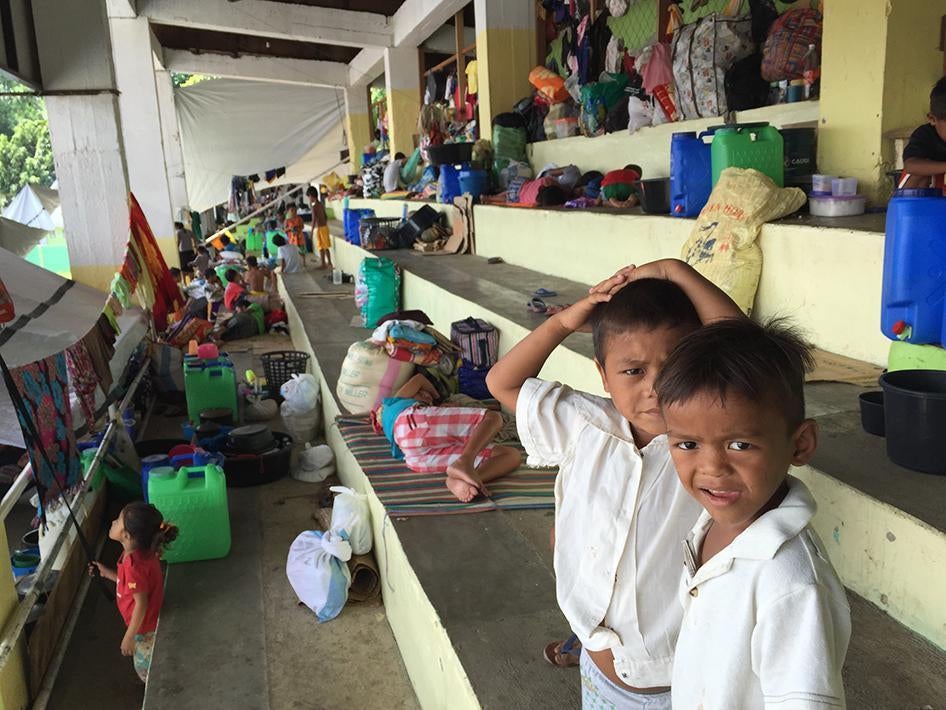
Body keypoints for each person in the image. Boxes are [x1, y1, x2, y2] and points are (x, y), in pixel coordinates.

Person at [486, 258, 743, 707]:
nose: (656, 388)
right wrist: (567, 319)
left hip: (675, 684)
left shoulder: (709, 442)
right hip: (596, 666)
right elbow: (501, 381)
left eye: (675, 365)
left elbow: (746, 347)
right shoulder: (584, 423)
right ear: (603, 375)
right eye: (633, 371)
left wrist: (674, 271)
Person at [655, 318, 851, 709]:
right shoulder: (714, 523)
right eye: (688, 443)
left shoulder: (792, 585)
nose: (712, 467)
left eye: (740, 444)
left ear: (800, 445)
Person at [373, 373, 522, 503]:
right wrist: (436, 397)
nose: (427, 397)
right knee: (492, 418)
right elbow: (420, 379)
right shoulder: (395, 402)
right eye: (423, 394)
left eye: (428, 397)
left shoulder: (396, 431)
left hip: (414, 457)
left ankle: (464, 480)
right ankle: (466, 462)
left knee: (511, 455)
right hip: (415, 422)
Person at [89, 502, 179, 683]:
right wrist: (107, 573)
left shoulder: (133, 566)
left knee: (148, 672)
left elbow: (141, 602)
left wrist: (129, 637)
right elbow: (134, 585)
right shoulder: (142, 554)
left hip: (144, 630)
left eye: (117, 521)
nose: (113, 522)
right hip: (148, 623)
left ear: (126, 535)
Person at [902, 77, 946, 190]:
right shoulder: (925, 135)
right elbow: (910, 166)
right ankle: (914, 207)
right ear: (932, 119)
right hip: (929, 195)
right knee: (919, 172)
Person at [306, 186, 333, 271]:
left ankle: (327, 263)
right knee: (322, 247)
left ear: (311, 196)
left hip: (321, 228)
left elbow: (314, 219)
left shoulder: (314, 207)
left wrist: (312, 231)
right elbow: (325, 216)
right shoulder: (321, 204)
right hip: (323, 227)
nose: (309, 199)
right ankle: (326, 263)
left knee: (323, 247)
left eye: (309, 197)